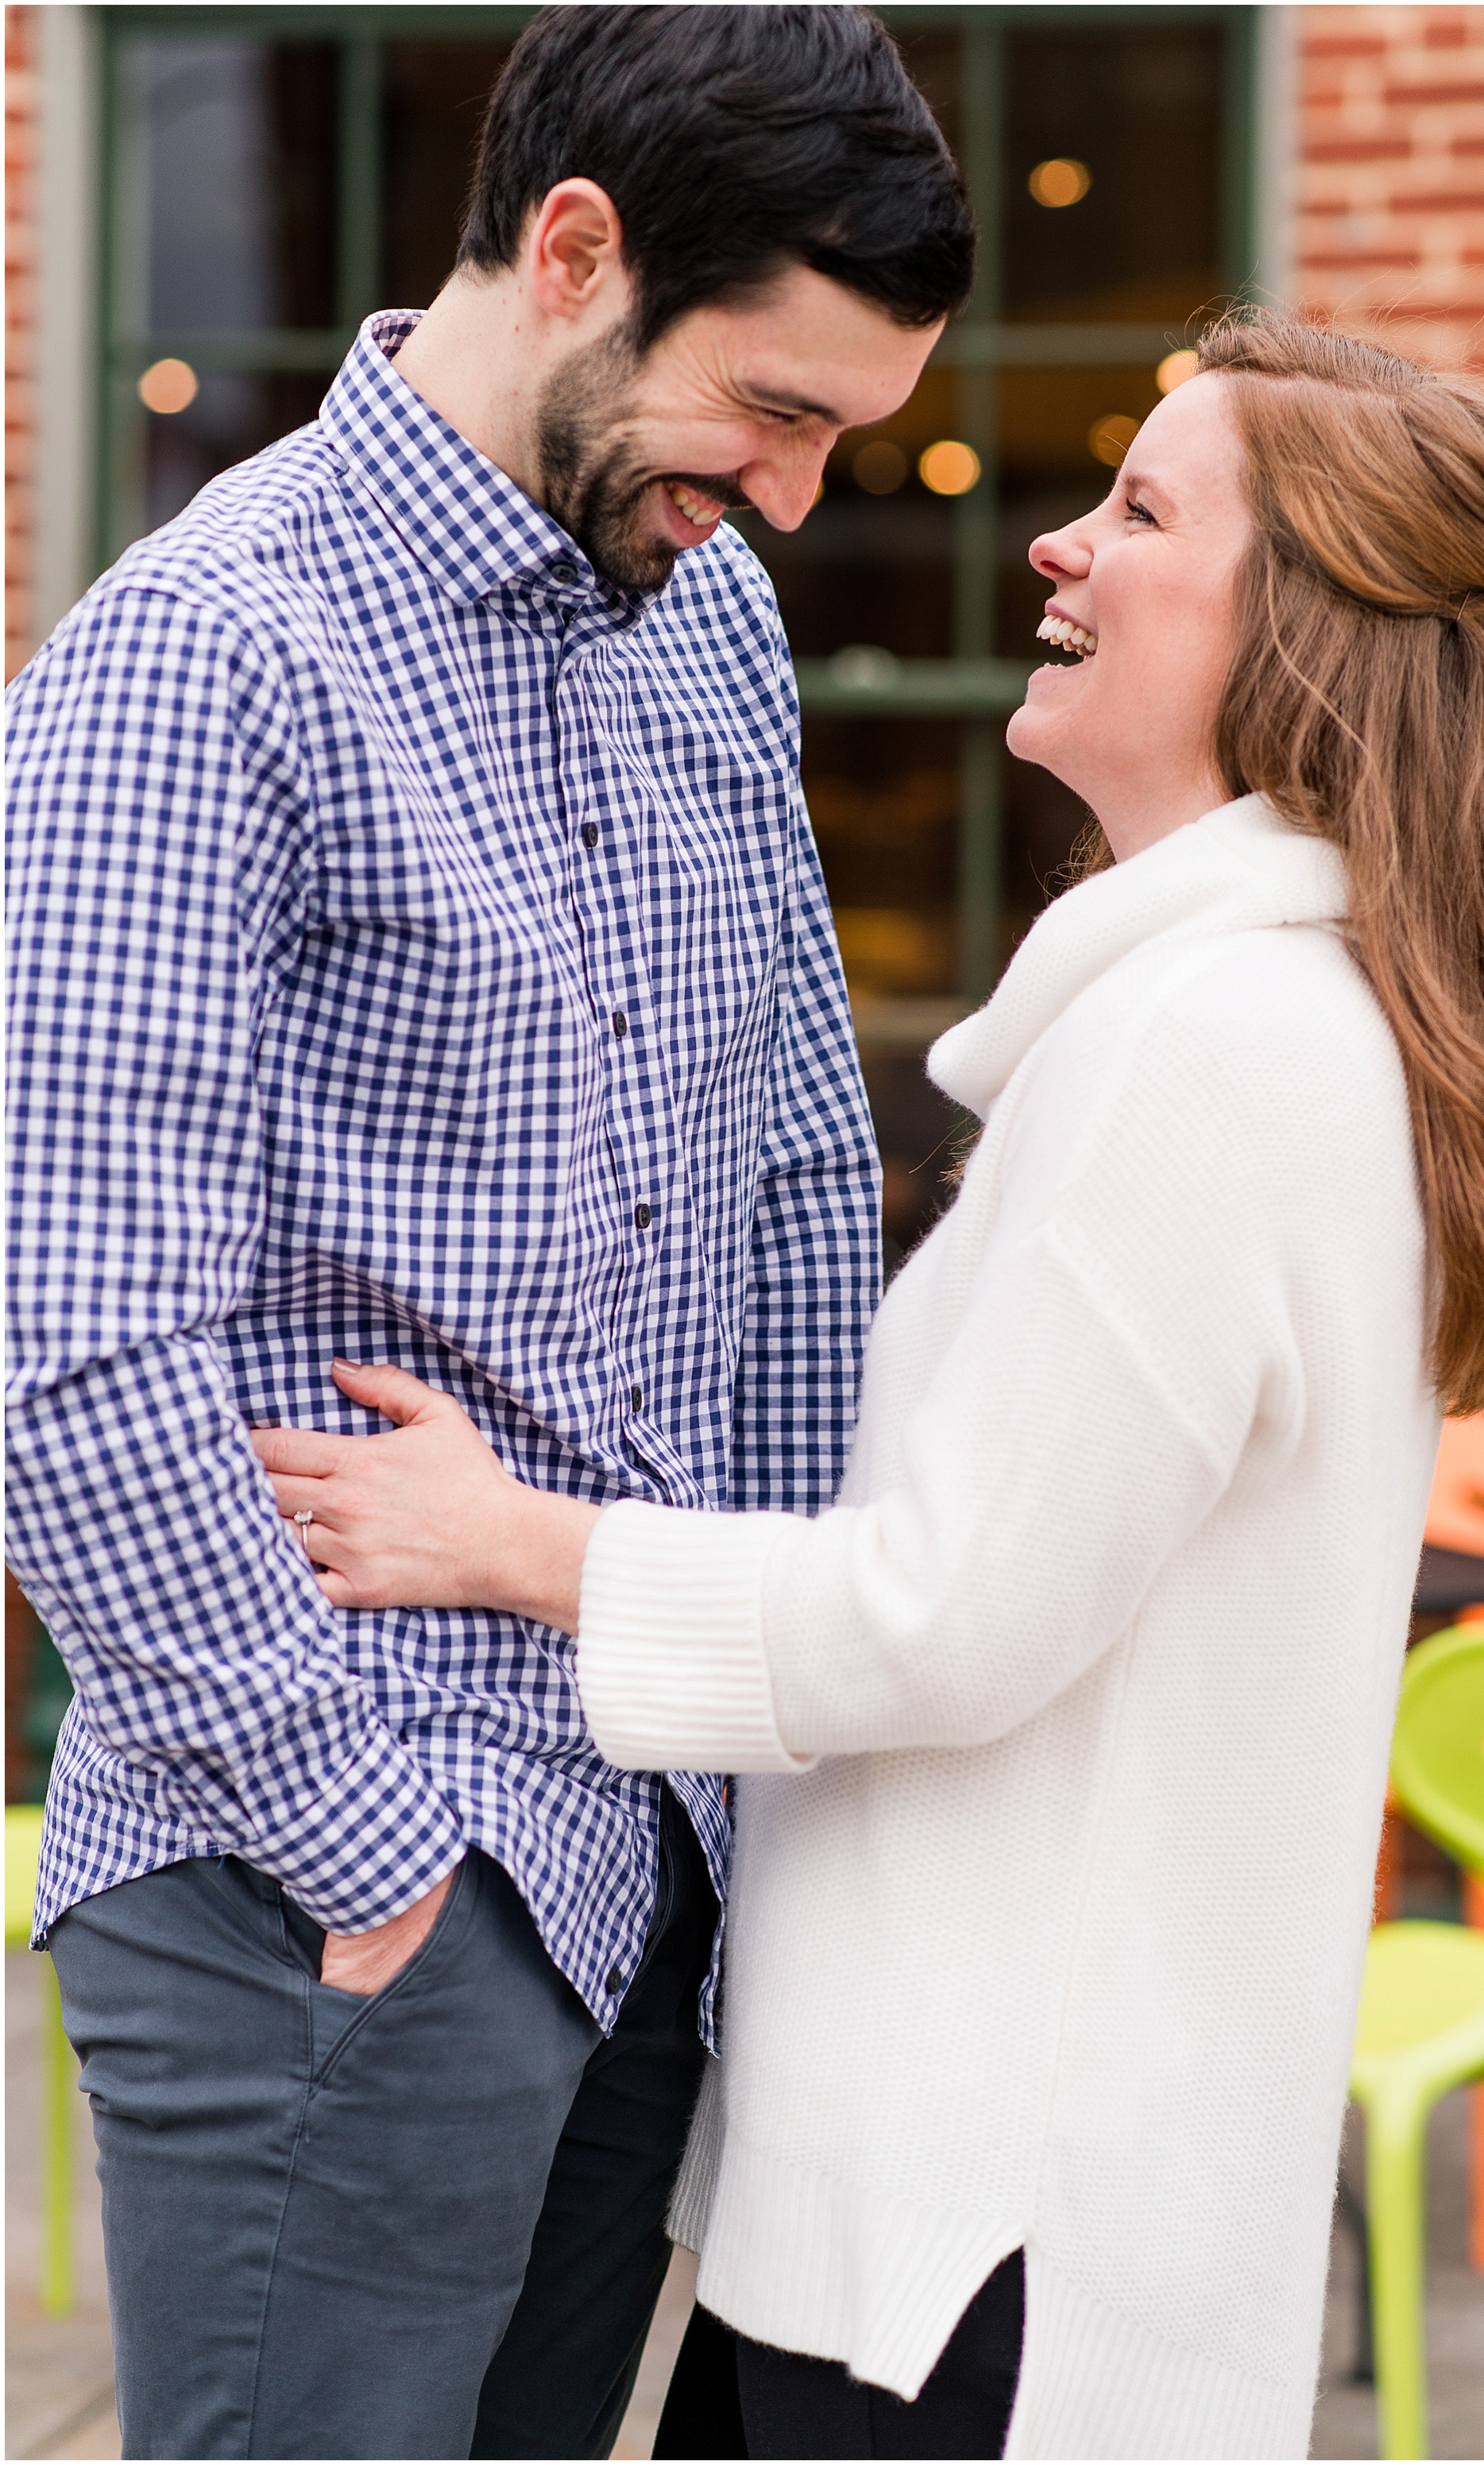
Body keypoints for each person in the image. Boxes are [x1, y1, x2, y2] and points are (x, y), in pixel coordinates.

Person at [253, 315, 1484, 2460]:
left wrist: (517, 1547)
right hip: (977, 2217)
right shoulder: (1241, 1021)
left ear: (1310, 631)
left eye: (1143, 511)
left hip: (979, 2248)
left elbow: (947, 1613)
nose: (1055, 547)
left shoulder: (1209, 1054)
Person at [6, 10, 972, 2458]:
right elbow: (71, 1333)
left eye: (837, 437)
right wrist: (361, 1853)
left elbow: (775, 1194)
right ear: (574, 254)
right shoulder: (197, 663)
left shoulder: (704, 627)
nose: (781, 494)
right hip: (337, 1882)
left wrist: (768, 1738)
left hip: (656, 1846)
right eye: (770, 410)